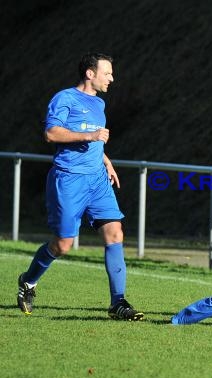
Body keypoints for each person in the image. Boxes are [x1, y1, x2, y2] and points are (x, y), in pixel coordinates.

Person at [16, 52, 143, 321]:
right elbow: (52, 133)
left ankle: (118, 302)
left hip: (97, 180)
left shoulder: (100, 104)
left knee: (115, 233)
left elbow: (96, 140)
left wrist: (105, 160)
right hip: (69, 179)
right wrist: (90, 135)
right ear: (90, 73)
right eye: (107, 72)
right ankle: (28, 282)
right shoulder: (65, 99)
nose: (112, 78)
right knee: (63, 244)